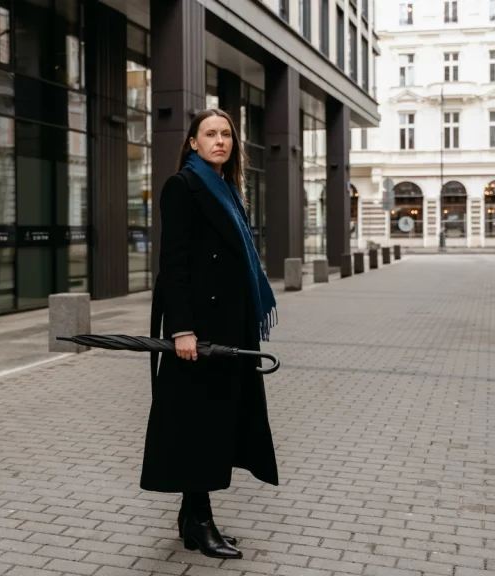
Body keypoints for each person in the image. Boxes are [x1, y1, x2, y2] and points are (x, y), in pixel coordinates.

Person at [141, 109, 280, 560]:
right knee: (199, 423)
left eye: (226, 134)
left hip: (229, 326)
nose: (220, 141)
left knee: (216, 421)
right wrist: (181, 329)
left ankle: (190, 516)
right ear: (193, 143)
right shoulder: (183, 186)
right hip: (199, 330)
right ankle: (199, 521)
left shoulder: (228, 189)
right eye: (210, 134)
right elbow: (174, 263)